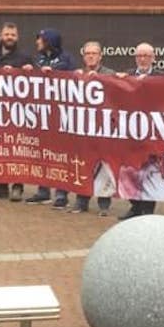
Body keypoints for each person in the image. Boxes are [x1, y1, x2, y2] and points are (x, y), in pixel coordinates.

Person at [22, 28, 75, 209]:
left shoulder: (66, 58)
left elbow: (73, 79)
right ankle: (42, 191)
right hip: (41, 115)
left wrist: (53, 71)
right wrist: (28, 71)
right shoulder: (38, 59)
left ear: (49, 41)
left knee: (60, 155)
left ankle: (61, 194)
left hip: (60, 115)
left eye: (41, 39)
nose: (37, 43)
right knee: (42, 152)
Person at [69, 40, 116, 215]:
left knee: (103, 166)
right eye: (87, 53)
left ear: (100, 56)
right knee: (83, 164)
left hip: (103, 129)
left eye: (94, 53)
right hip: (82, 129)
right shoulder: (76, 75)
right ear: (83, 56)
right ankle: (81, 201)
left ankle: (104, 204)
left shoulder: (110, 74)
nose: (90, 56)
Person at [118, 43, 164, 220]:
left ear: (153, 58)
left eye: (146, 56)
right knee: (130, 170)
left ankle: (147, 209)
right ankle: (135, 206)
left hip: (151, 131)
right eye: (140, 56)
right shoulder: (126, 75)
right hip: (130, 131)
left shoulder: (161, 77)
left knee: (148, 170)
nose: (143, 59)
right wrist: (119, 81)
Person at [0, 24, 28, 199]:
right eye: (7, 34)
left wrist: (24, 72)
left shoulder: (25, 58)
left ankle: (17, 186)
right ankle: (0, 185)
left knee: (17, 149)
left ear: (17, 37)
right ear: (0, 36)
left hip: (19, 112)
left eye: (13, 35)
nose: (10, 37)